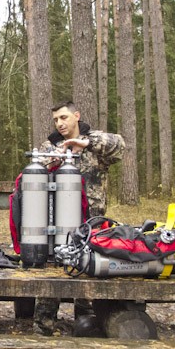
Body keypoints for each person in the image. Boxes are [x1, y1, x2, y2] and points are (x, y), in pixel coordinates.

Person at [33, 101, 124, 335]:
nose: (60, 123)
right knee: (52, 275)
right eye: (56, 120)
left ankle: (86, 330)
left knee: (86, 278)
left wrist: (86, 143)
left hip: (91, 224)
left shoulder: (94, 141)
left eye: (64, 117)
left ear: (76, 116)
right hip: (57, 224)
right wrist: (54, 159)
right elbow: (36, 170)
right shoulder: (51, 145)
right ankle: (43, 330)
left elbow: (119, 146)